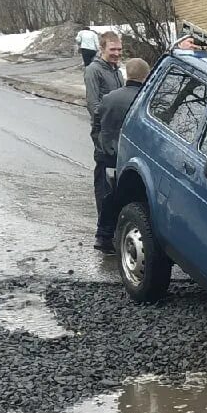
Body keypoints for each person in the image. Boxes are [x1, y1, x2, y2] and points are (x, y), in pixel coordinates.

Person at [93, 57, 150, 250]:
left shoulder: (109, 98)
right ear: (146, 76)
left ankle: (103, 236)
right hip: (134, 158)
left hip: (108, 155)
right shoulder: (147, 100)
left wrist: (101, 148)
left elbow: (96, 126)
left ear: (127, 74)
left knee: (107, 196)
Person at [84, 32, 125, 253]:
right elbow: (94, 106)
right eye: (112, 50)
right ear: (102, 48)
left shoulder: (116, 70)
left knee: (115, 180)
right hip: (103, 132)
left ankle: (113, 228)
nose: (117, 53)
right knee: (104, 182)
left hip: (118, 131)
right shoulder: (94, 70)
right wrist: (110, 118)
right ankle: (103, 235)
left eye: (119, 49)